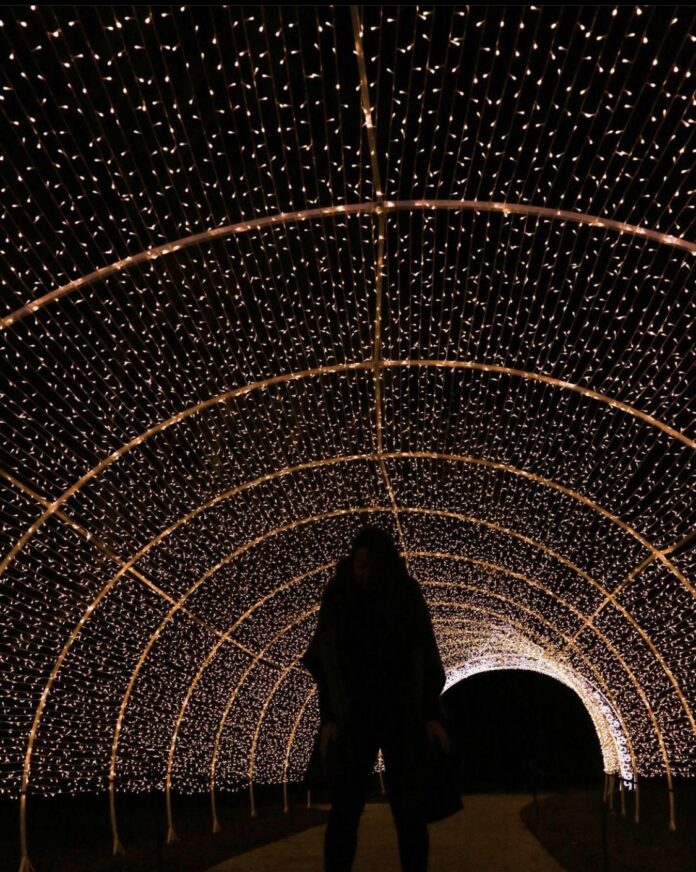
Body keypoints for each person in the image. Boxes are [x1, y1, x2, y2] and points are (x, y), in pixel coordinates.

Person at [302, 526, 451, 872]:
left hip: (401, 714)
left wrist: (431, 714)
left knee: (409, 810)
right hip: (355, 715)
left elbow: (425, 654)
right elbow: (326, 660)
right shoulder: (339, 595)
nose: (365, 574)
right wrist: (329, 719)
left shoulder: (405, 594)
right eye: (360, 566)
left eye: (372, 566)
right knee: (345, 809)